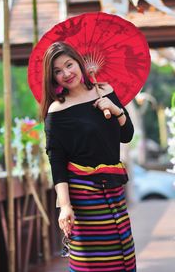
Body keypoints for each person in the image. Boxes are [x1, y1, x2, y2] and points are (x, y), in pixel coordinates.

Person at [42, 41, 136, 272]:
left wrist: (117, 111)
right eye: (57, 71)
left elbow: (127, 135)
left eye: (69, 64)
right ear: (52, 78)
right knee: (92, 261)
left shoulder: (105, 91)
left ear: (80, 63)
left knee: (123, 254)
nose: (66, 73)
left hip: (113, 189)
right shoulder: (57, 111)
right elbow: (57, 161)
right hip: (83, 194)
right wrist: (64, 206)